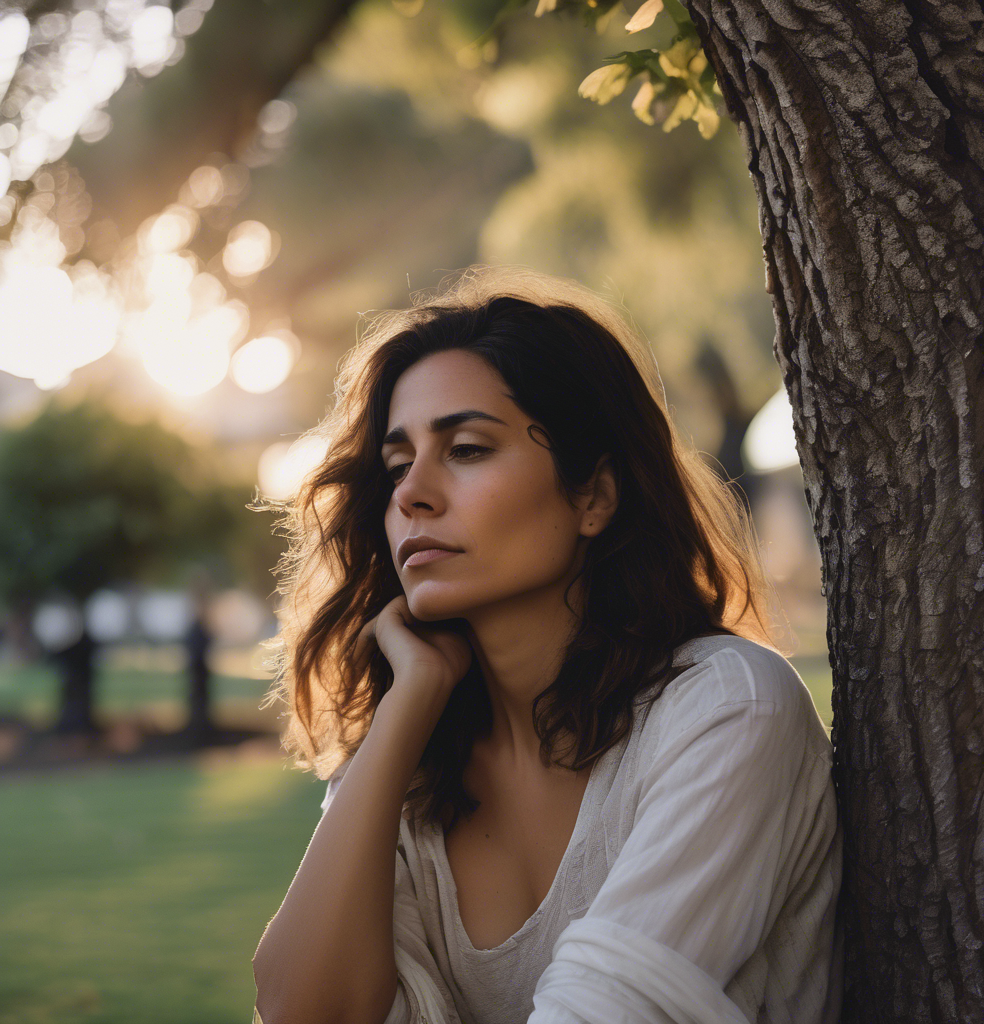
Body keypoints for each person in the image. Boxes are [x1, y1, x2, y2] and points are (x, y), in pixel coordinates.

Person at [251, 266, 843, 1024]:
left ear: (592, 495)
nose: (411, 494)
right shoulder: (404, 764)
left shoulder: (728, 709)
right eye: (397, 465)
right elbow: (301, 1010)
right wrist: (410, 703)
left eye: (466, 449)